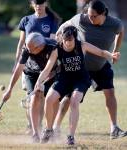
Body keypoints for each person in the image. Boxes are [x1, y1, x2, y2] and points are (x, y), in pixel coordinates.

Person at [34, 26, 120, 145]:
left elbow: (100, 52)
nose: (68, 44)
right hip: (64, 78)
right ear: (62, 39)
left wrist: (111, 55)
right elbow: (47, 69)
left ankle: (70, 136)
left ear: (75, 38)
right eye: (65, 41)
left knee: (74, 102)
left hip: (81, 80)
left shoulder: (82, 45)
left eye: (71, 41)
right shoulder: (57, 49)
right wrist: (38, 82)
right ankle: (49, 130)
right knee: (49, 99)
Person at [54, 0, 127, 139]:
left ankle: (114, 128)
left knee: (110, 92)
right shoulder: (82, 19)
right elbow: (67, 24)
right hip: (81, 68)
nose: (90, 18)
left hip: (100, 64)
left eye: (94, 16)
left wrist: (116, 51)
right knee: (69, 98)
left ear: (103, 14)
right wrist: (58, 35)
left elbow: (121, 31)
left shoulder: (114, 23)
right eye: (89, 15)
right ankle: (55, 128)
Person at [14, 0, 61, 135]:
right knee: (33, 96)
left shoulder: (52, 20)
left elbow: (51, 42)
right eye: (36, 3)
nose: (38, 6)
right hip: (28, 65)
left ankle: (45, 127)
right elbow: (21, 42)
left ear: (46, 3)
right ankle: (33, 126)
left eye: (41, 3)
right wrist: (16, 62)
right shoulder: (26, 20)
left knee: (45, 97)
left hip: (47, 65)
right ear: (32, 4)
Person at [2, 32, 59, 142]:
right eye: (27, 48)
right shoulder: (27, 48)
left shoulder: (53, 46)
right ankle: (35, 133)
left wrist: (47, 77)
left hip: (50, 73)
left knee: (53, 99)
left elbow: (56, 65)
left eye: (31, 49)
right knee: (34, 98)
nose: (28, 50)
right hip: (31, 73)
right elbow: (19, 69)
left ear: (40, 47)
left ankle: (49, 129)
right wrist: (9, 90)